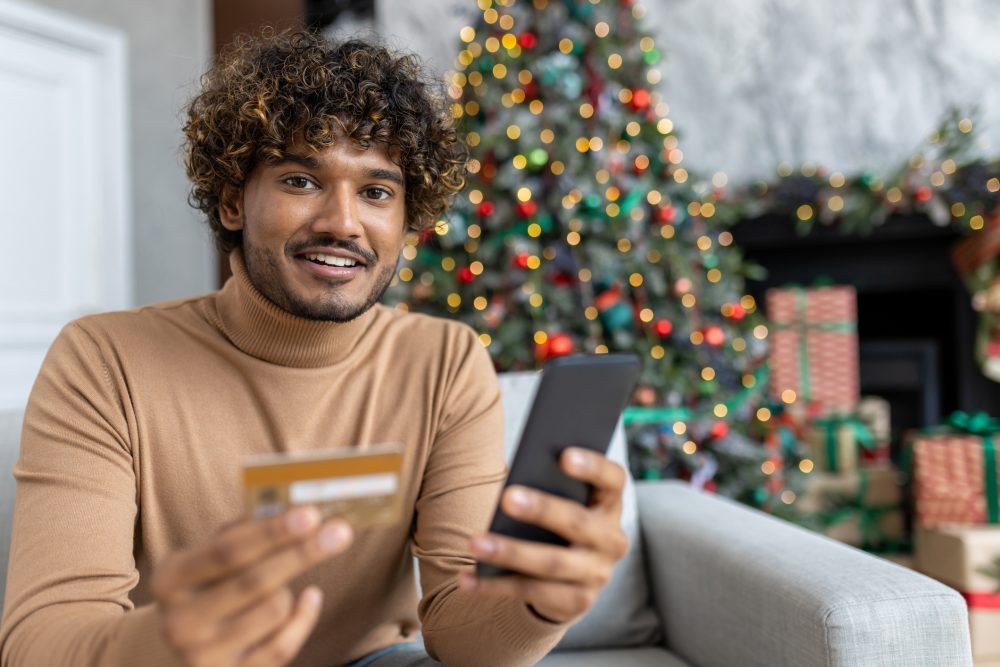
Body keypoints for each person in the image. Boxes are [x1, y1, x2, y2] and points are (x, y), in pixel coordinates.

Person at [0, 30, 628, 667]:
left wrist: (540, 600)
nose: (343, 222)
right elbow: (39, 642)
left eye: (377, 192)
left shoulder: (446, 361)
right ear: (231, 202)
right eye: (301, 180)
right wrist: (161, 643)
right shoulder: (105, 361)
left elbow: (459, 634)